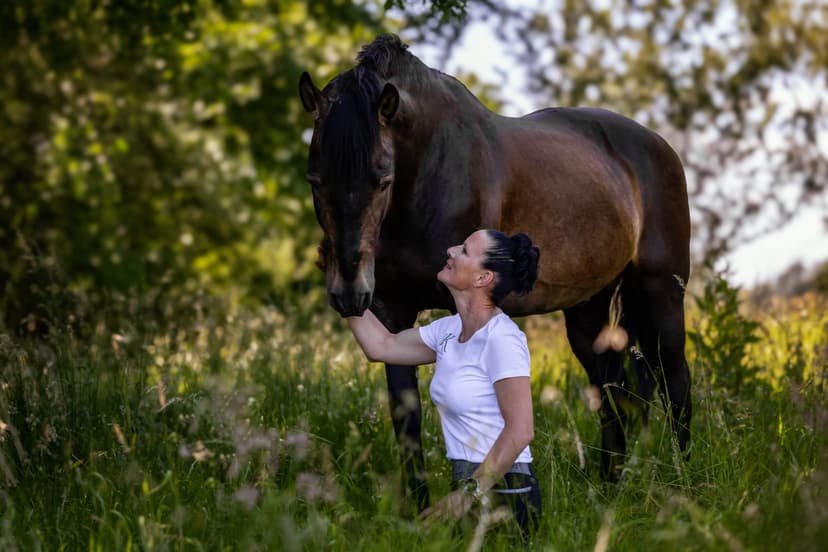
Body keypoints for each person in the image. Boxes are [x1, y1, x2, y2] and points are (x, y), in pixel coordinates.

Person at [345, 229, 542, 540]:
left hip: (505, 488)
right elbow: (381, 346)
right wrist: (346, 284)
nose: (450, 250)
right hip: (469, 483)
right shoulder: (448, 330)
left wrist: (467, 494)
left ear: (482, 278)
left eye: (464, 250)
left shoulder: (502, 339)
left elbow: (521, 431)